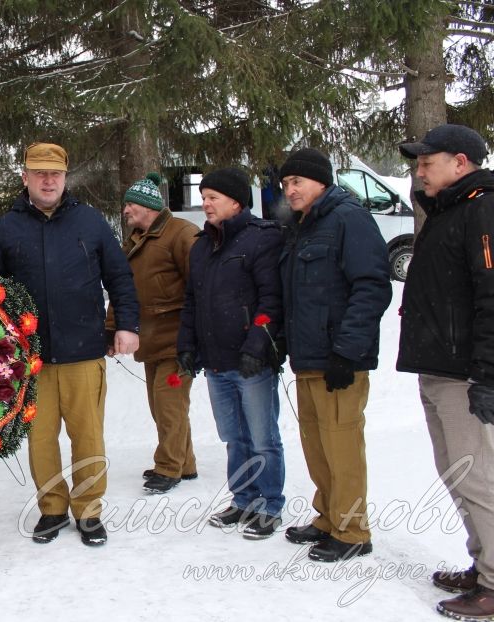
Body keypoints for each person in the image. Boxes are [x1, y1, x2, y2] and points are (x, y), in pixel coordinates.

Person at [0, 142, 140, 546]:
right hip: (29, 359)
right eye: (39, 173)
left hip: (84, 352)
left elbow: (119, 278)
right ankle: (51, 508)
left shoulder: (90, 222)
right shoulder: (5, 229)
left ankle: (88, 511)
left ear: (66, 178)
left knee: (88, 435)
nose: (47, 180)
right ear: (25, 177)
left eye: (55, 173)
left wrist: (126, 324)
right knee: (40, 437)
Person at [396, 124, 494, 619]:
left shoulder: (483, 208)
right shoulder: (447, 210)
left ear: (461, 162)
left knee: (477, 477)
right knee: (456, 473)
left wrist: (488, 375)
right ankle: (483, 567)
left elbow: (492, 295)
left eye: (426, 163)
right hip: (438, 367)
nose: (419, 172)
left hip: (466, 375)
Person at [277, 148, 391, 561]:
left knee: (341, 448)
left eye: (297, 182)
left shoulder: (348, 218)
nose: (289, 190)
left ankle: (352, 531)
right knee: (316, 444)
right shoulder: (303, 226)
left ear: (322, 182)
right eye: (286, 184)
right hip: (308, 359)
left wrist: (347, 351)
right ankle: (328, 517)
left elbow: (372, 285)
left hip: (338, 361)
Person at [177, 167, 286, 540]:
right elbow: (192, 302)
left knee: (262, 436)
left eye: (213, 197)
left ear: (236, 201)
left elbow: (272, 299)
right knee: (233, 437)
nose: (205, 203)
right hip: (217, 362)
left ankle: (270, 505)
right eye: (204, 196)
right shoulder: (202, 246)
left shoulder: (261, 239)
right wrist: (188, 346)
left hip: (251, 361)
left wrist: (258, 344)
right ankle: (243, 499)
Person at [106, 172, 199, 495]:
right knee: (161, 406)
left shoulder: (182, 235)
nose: (126, 211)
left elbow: (200, 287)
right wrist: (112, 328)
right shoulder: (136, 240)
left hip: (176, 340)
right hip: (151, 340)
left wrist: (196, 336)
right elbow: (123, 290)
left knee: (169, 405)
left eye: (131, 205)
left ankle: (169, 467)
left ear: (149, 206)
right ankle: (184, 463)